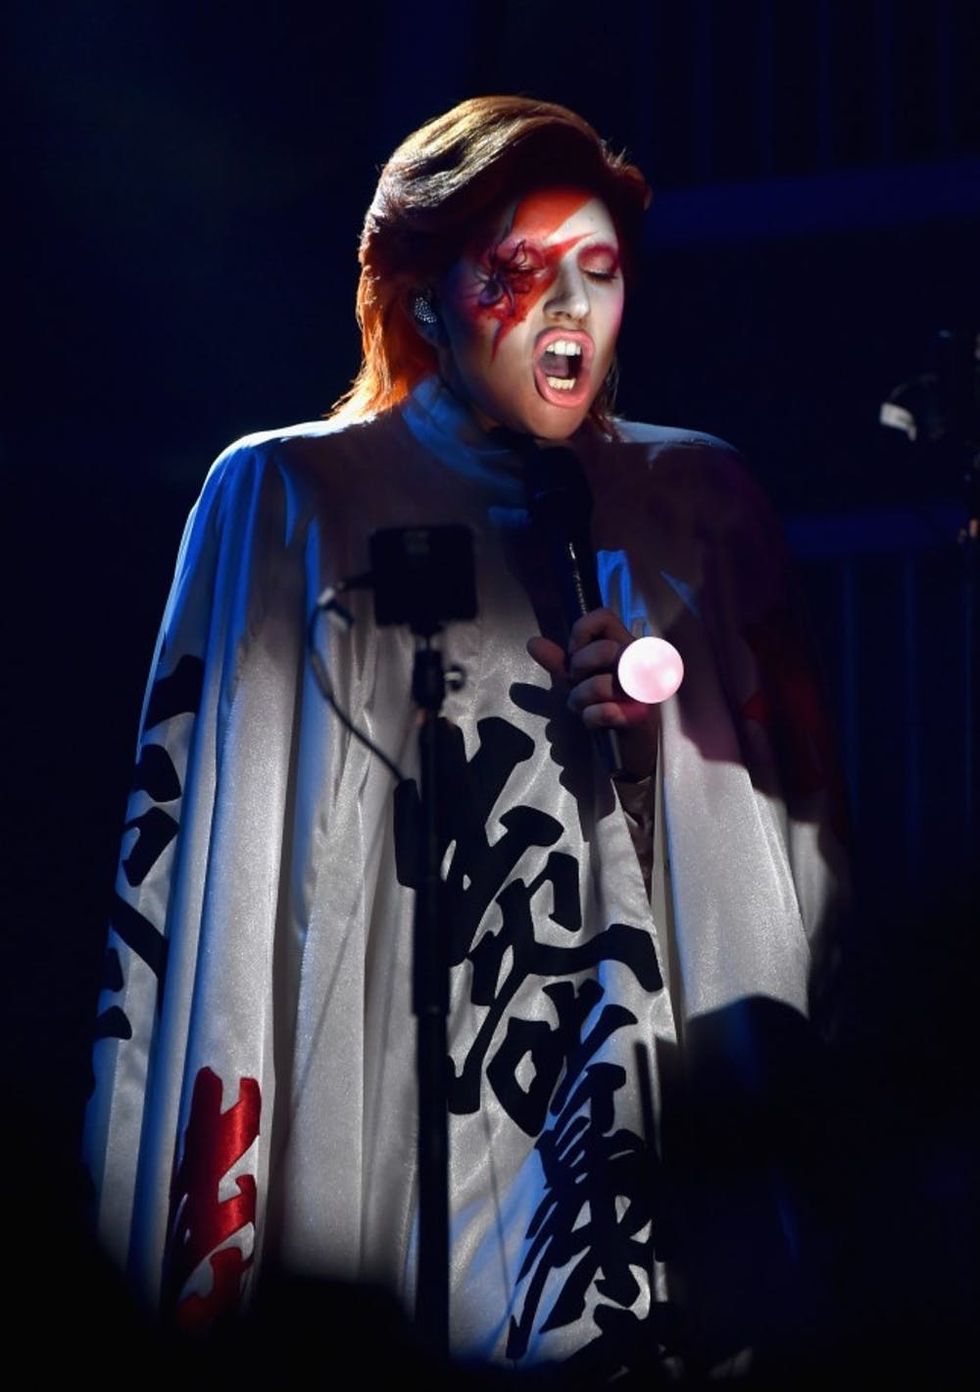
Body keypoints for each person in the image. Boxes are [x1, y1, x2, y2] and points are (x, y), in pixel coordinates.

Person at [83, 96, 848, 1383]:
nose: (566, 314)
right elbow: (224, 883)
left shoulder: (696, 503)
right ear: (423, 294)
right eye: (513, 274)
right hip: (392, 1107)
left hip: (638, 1123)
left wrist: (663, 761)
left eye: (596, 272)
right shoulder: (290, 497)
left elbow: (806, 884)